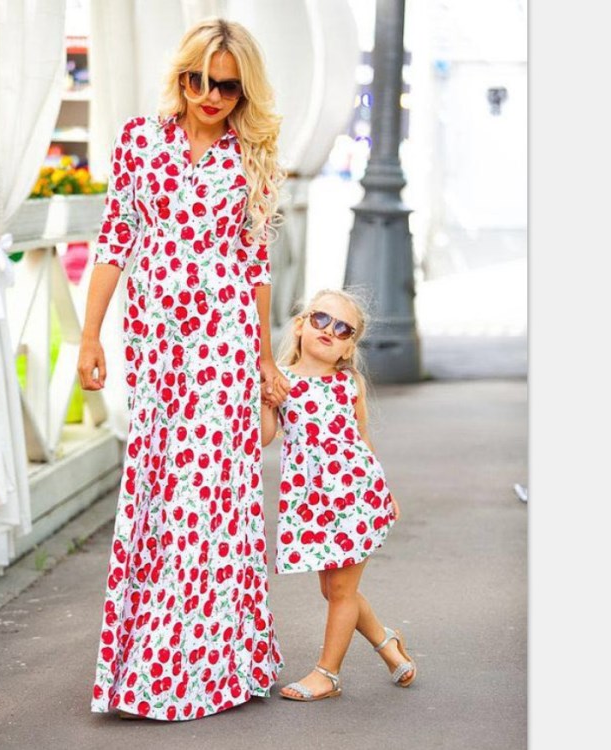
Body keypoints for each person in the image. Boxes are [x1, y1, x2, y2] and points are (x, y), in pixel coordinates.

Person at [78, 18, 291, 721]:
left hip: (224, 349)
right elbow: (115, 238)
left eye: (227, 86)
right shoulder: (140, 140)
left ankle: (201, 668)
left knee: (209, 499)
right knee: (159, 493)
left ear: (243, 91)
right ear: (182, 77)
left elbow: (255, 264)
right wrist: (90, 337)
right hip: (155, 349)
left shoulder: (251, 156)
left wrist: (264, 358)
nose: (211, 95)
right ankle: (151, 659)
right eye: (199, 80)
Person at [260, 288, 417, 701]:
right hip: (313, 505)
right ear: (300, 325)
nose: (330, 330)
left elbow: (362, 440)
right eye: (320, 319)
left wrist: (384, 491)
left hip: (356, 497)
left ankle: (326, 674)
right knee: (332, 590)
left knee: (342, 592)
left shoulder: (349, 383)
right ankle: (386, 642)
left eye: (343, 329)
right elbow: (264, 437)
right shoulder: (281, 379)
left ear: (348, 347)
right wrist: (264, 398)